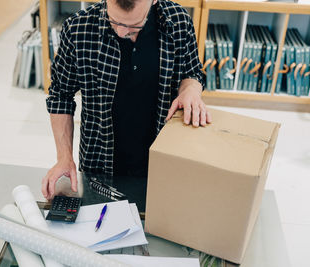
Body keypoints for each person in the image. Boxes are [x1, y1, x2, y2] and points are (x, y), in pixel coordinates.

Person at [42, 0, 212, 199]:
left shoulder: (178, 21)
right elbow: (61, 95)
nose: (122, 33)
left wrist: (191, 89)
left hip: (163, 161)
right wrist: (64, 158)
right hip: (99, 165)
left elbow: (192, 71)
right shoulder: (78, 29)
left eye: (134, 25)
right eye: (114, 22)